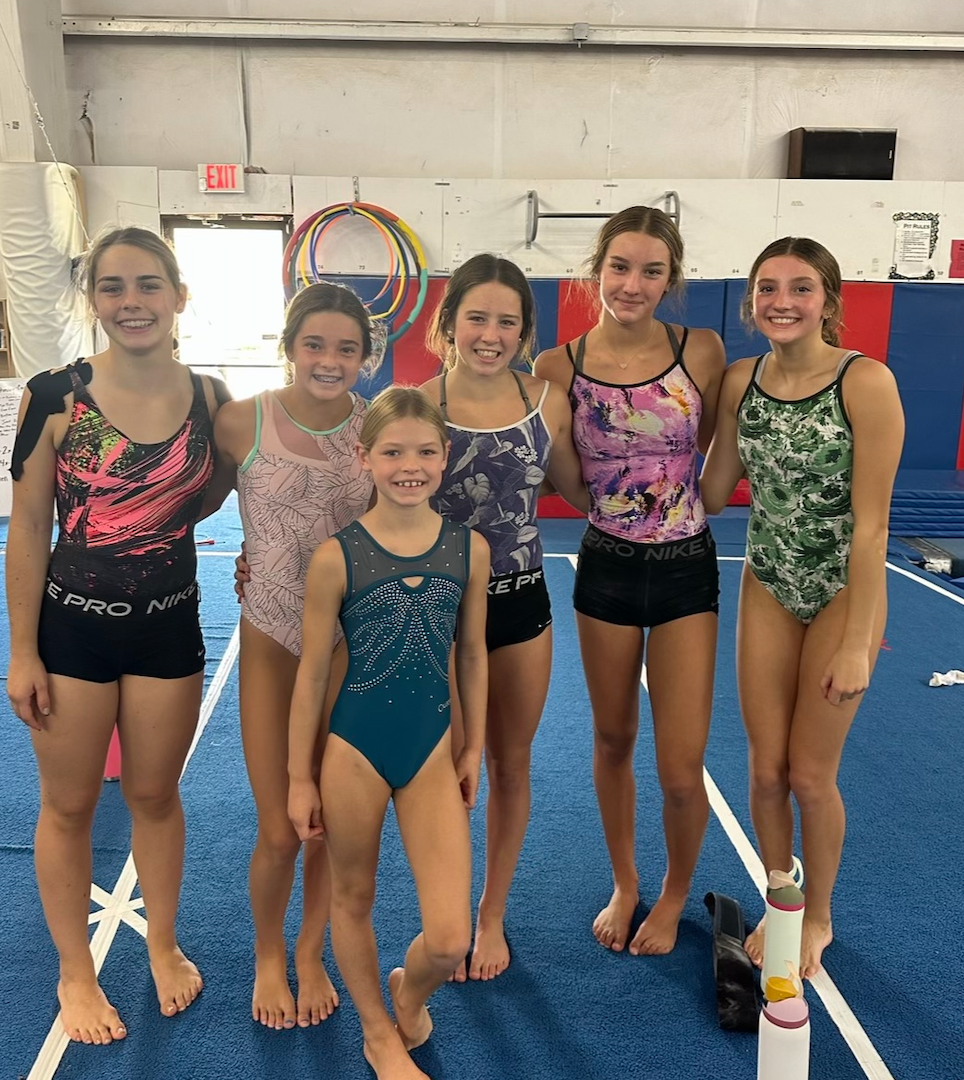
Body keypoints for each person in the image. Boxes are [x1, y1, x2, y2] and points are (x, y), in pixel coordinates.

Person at [6, 226, 234, 1044]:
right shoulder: (57, 395)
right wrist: (23, 650)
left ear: (179, 296)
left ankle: (163, 943)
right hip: (74, 632)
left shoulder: (210, 401)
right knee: (67, 805)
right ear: (93, 299)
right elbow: (29, 526)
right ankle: (76, 971)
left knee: (154, 795)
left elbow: (209, 498)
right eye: (112, 287)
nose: (130, 302)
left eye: (147, 285)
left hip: (168, 629)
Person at [699, 237, 903, 978]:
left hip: (845, 591)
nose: (782, 300)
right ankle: (781, 894)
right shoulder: (739, 380)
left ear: (829, 301)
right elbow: (715, 488)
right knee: (763, 770)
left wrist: (857, 640)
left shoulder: (865, 381)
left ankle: (817, 916)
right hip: (770, 581)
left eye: (801, 287)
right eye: (768, 287)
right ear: (752, 301)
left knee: (812, 775)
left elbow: (874, 525)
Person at [534, 206, 726, 956]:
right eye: (620, 267)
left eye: (652, 270)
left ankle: (675, 893)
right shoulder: (559, 366)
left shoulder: (700, 351)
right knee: (614, 737)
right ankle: (625, 881)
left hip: (685, 571)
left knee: (681, 766)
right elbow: (569, 484)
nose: (633, 283)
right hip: (607, 567)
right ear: (596, 270)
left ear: (671, 278)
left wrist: (668, 508)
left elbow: (706, 461)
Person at [287, 386, 489, 1080]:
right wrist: (298, 778)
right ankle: (379, 1034)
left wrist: (472, 746)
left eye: (426, 451)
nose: (411, 465)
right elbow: (312, 676)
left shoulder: (470, 549)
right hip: (353, 750)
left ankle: (410, 991)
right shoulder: (337, 557)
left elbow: (470, 654)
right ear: (364, 456)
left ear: (446, 455)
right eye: (394, 451)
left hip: (432, 749)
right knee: (353, 895)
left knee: (448, 937)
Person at [420, 253, 587, 981]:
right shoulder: (417, 402)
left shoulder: (547, 399)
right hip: (439, 611)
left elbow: (584, 489)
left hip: (521, 603)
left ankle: (491, 914)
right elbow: (372, 499)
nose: (491, 334)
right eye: (477, 317)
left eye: (507, 321)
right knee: (451, 770)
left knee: (508, 763)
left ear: (525, 332)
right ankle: (450, 911)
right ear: (451, 321)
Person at [213, 282, 375, 1029]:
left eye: (347, 348)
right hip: (272, 635)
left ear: (366, 359)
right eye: (315, 343)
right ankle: (269, 956)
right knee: (279, 824)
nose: (329, 359)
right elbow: (179, 496)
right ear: (288, 346)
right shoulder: (241, 420)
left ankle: (311, 951)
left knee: (329, 822)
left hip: (348, 640)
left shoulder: (376, 431)